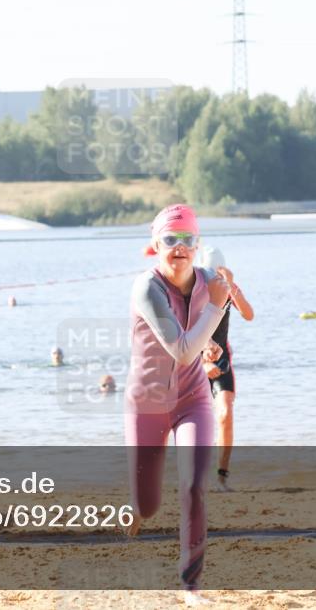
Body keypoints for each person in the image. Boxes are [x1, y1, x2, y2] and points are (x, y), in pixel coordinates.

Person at [125, 204, 230, 602]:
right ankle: (135, 507)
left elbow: (194, 348)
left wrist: (211, 342)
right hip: (148, 402)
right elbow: (182, 349)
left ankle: (191, 585)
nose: (180, 247)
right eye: (171, 240)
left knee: (193, 485)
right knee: (148, 507)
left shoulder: (208, 281)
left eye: (188, 240)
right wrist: (216, 309)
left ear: (197, 244)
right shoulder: (146, 287)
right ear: (156, 245)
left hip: (192, 399)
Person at [197, 247, 254, 493]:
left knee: (225, 412)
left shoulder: (227, 287)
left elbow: (249, 315)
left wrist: (232, 286)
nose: (214, 280)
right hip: (193, 360)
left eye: (218, 275)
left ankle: (221, 476)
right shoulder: (193, 289)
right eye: (211, 275)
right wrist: (203, 362)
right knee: (192, 420)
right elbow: (183, 334)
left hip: (221, 360)